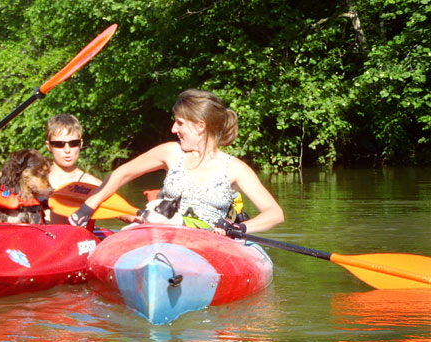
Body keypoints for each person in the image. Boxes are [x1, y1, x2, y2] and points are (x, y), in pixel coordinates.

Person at [69, 89, 284, 234]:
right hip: (162, 236)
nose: (173, 129)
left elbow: (275, 214)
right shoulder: (171, 153)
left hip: (208, 243)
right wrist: (88, 207)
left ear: (200, 126)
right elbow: (122, 174)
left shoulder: (235, 169)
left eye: (179, 123)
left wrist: (241, 228)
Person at [0, 114, 102, 224]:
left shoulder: (94, 185)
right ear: (49, 146)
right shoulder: (35, 176)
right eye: (59, 144)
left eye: (73, 143)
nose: (67, 150)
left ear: (81, 144)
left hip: (71, 248)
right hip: (35, 244)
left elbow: (124, 213)